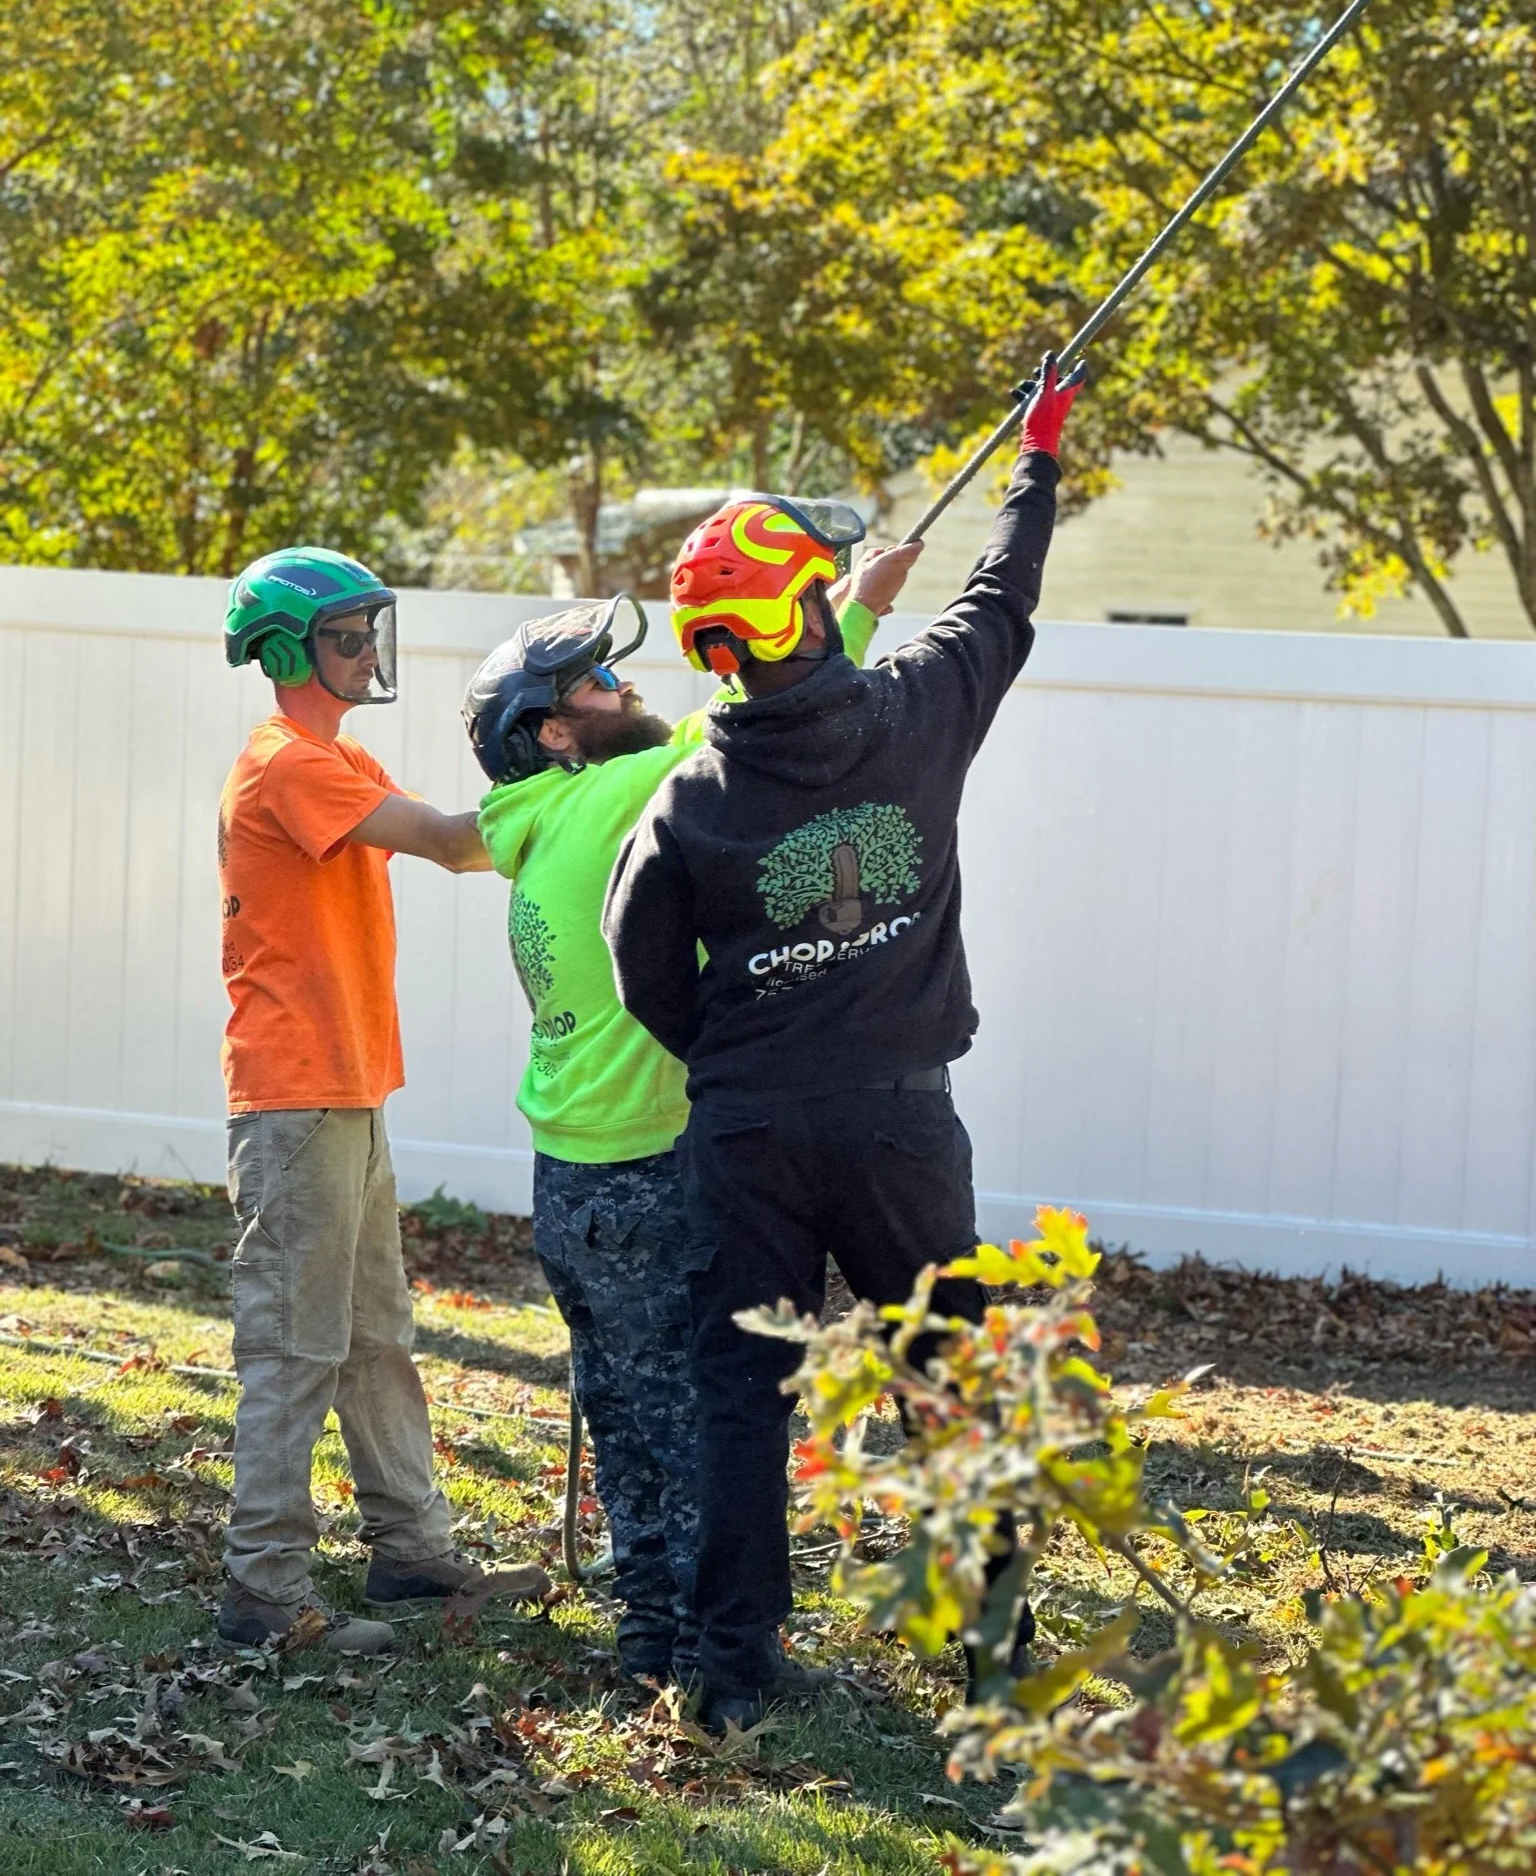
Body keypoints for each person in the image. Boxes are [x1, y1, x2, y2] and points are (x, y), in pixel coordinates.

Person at [602, 357, 1086, 1731]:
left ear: (715, 648)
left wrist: (744, 1053)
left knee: (741, 1397)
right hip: (899, 1128)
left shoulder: (690, 795)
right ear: (805, 607)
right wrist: (1035, 450)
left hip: (746, 1132)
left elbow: (650, 976)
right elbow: (1004, 594)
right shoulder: (920, 711)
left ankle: (732, 1675)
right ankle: (997, 1664)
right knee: (952, 1385)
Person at [461, 545, 917, 1686]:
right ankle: (711, 1653)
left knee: (628, 1415)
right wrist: (853, 606)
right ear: (555, 733)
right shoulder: (624, 792)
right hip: (644, 1165)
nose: (628, 689)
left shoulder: (539, 822)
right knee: (700, 1418)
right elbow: (754, 720)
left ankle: (651, 1636)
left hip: (567, 1178)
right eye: (599, 688)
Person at [216, 545, 540, 1653]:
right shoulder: (288, 765)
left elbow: (455, 840)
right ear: (283, 648)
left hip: (346, 1092)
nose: (367, 653)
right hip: (296, 1099)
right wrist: (585, 769)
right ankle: (261, 1599)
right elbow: (456, 845)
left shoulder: (332, 759)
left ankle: (409, 1554)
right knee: (296, 1347)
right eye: (348, 637)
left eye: (370, 633)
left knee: (372, 1336)